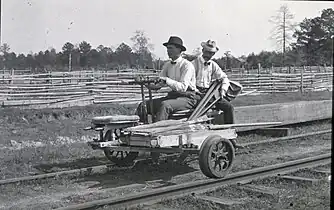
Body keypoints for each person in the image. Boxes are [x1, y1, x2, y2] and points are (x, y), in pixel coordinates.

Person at [191, 40, 243, 148]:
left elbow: (224, 78)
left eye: (212, 53)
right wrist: (196, 90)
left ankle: (231, 138)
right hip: (196, 93)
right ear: (203, 50)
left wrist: (223, 91)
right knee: (199, 113)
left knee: (229, 108)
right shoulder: (193, 64)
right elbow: (189, 82)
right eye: (208, 52)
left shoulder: (213, 65)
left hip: (210, 95)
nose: (210, 55)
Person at [135, 36, 199, 122]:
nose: (168, 51)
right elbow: (158, 85)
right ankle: (136, 130)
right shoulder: (167, 65)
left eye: (171, 48)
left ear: (179, 49)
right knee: (143, 105)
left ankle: (156, 131)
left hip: (187, 98)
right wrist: (145, 83)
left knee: (165, 105)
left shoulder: (187, 65)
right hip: (173, 96)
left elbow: (183, 87)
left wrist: (167, 80)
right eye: (167, 48)